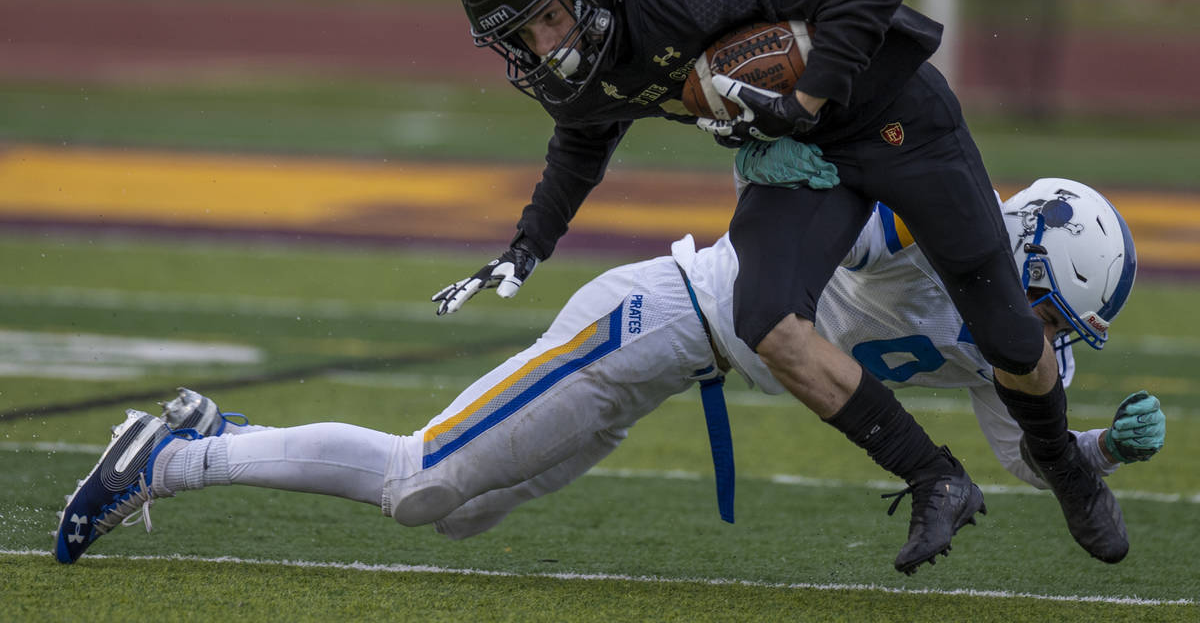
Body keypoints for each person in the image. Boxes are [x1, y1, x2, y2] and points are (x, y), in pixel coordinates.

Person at [434, 0, 1132, 566]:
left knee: (1011, 339)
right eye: (522, 35)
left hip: (894, 116)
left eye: (548, 18)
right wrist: (530, 243)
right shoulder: (585, 55)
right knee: (766, 317)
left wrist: (804, 99)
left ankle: (1068, 471)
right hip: (806, 157)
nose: (544, 46)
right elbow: (585, 136)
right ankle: (934, 477)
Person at [55, 178, 1162, 572]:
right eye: (1042, 307)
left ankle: (217, 429)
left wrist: (1100, 446)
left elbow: (1026, 449)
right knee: (423, 480)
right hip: (657, 318)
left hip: (676, 372)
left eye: (1056, 325)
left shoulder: (1011, 328)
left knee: (459, 519)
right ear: (1010, 248)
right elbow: (845, 227)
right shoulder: (917, 229)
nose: (1037, 338)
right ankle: (174, 456)